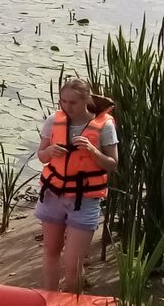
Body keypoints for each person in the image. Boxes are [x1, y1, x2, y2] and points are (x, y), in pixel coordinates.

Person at [35, 76, 119, 293]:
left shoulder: (104, 126)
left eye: (72, 102)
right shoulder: (54, 121)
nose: (67, 106)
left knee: (73, 264)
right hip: (53, 195)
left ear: (86, 101)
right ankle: (50, 299)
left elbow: (112, 164)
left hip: (85, 200)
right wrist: (49, 151)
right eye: (63, 101)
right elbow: (42, 156)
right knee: (51, 251)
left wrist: (92, 150)